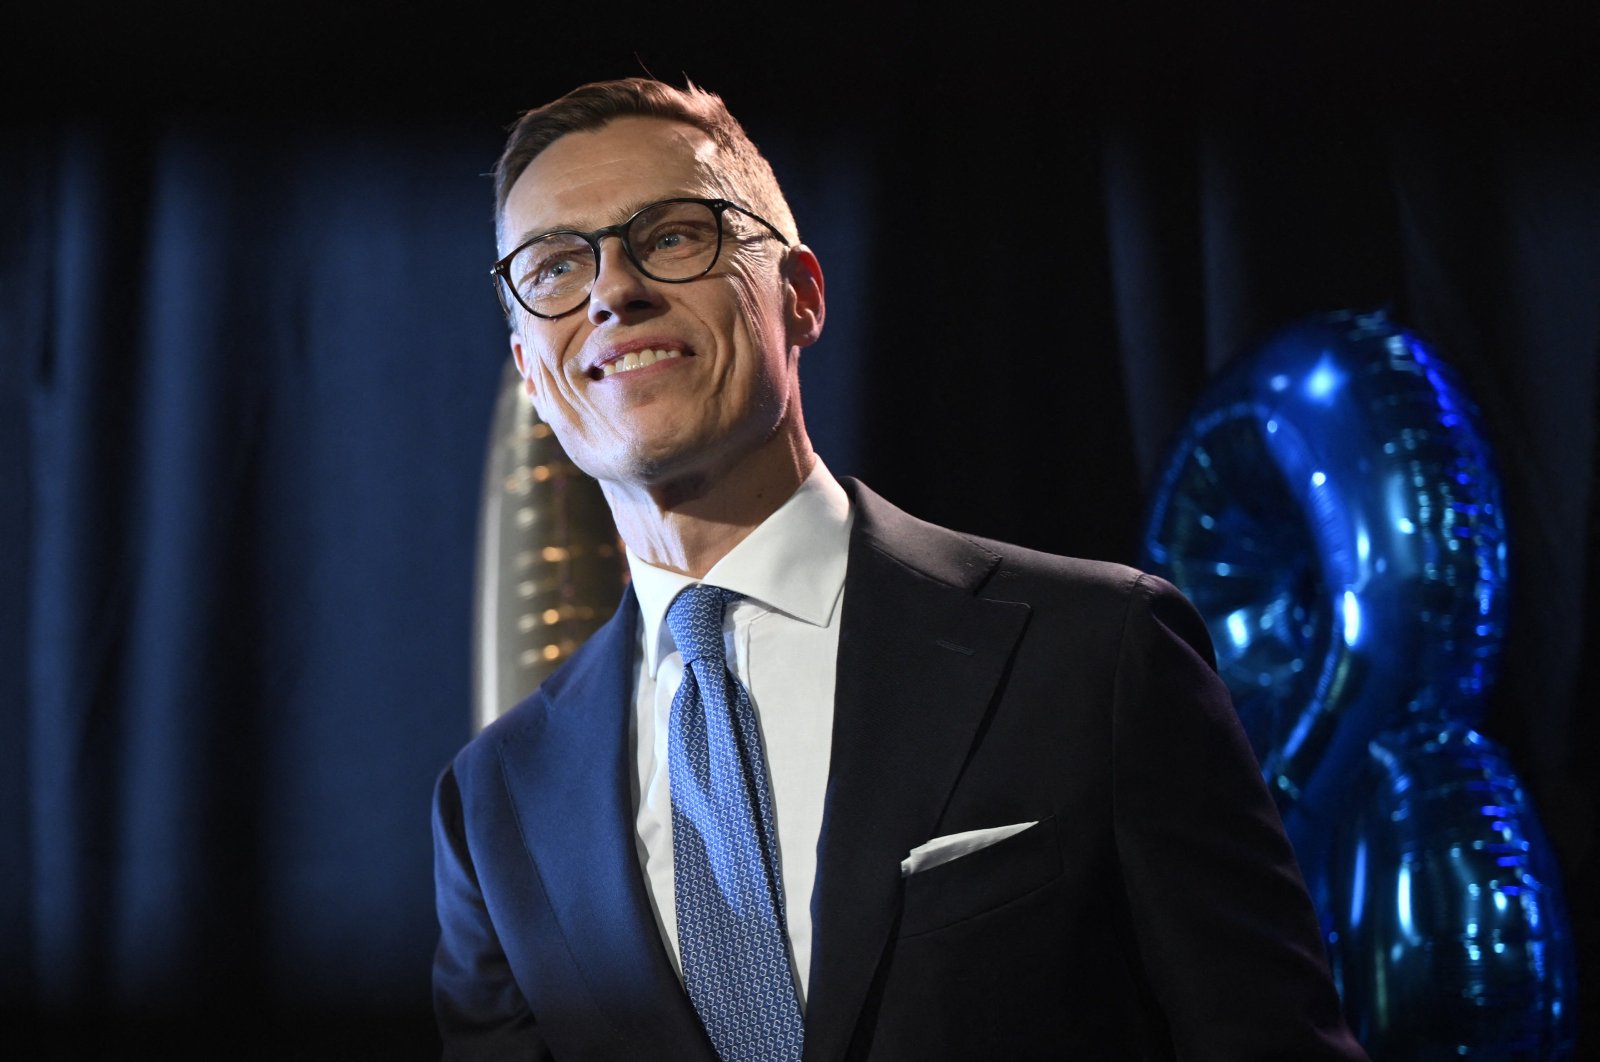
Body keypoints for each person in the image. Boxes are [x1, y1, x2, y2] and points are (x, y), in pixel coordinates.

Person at [431, 76, 1368, 1061]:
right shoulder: (493, 809)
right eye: (553, 267)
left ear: (799, 297)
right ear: (532, 370)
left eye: (670, 236)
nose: (613, 290)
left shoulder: (1097, 655)